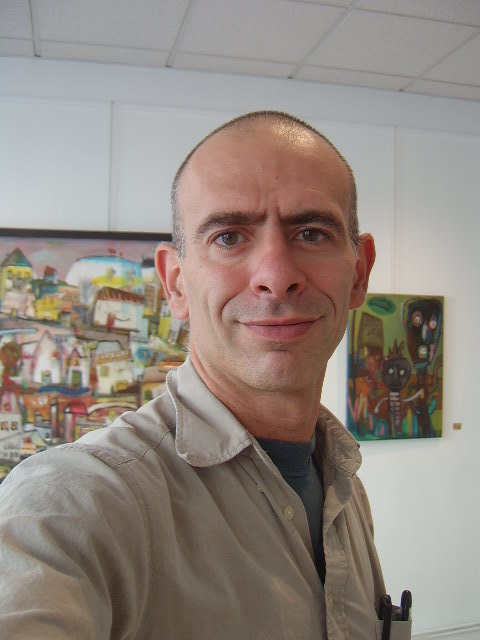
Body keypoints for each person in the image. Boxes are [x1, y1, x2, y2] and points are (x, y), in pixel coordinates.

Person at [0, 111, 403, 639]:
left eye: (311, 233)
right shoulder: (78, 501)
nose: (276, 276)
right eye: (229, 237)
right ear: (175, 284)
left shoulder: (343, 490)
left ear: (360, 273)